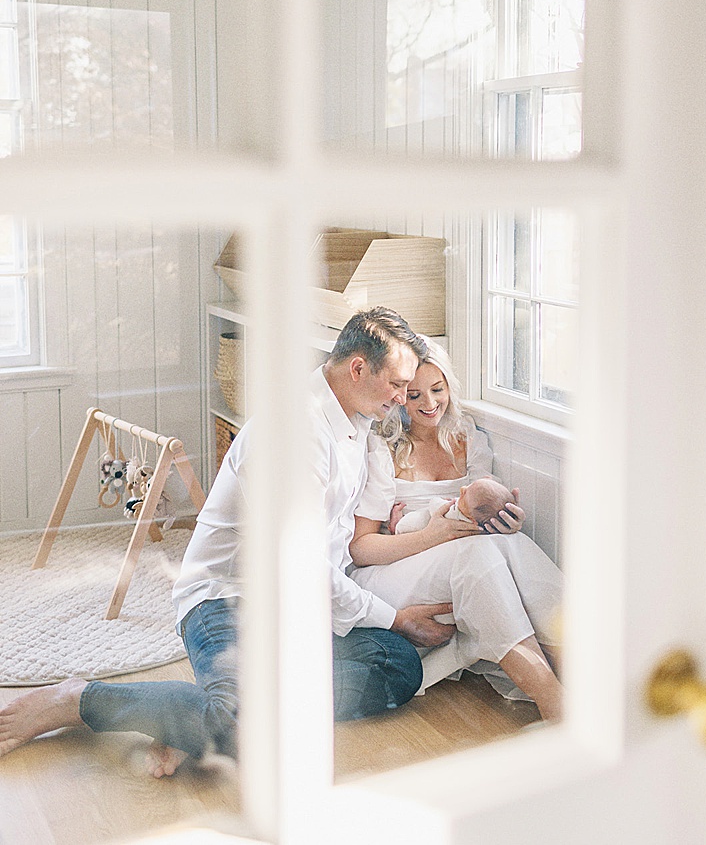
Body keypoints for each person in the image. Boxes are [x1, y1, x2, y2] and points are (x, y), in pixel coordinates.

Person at [0, 307, 452, 773]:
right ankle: (79, 699)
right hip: (227, 598)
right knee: (242, 726)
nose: (403, 398)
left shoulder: (355, 421)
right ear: (358, 368)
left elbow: (336, 545)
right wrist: (394, 617)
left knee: (397, 665)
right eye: (398, 384)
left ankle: (186, 718)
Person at [349, 339, 564, 721]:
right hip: (388, 574)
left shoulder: (469, 440)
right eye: (414, 395)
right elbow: (360, 549)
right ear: (398, 395)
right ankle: (554, 703)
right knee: (476, 553)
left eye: (438, 390)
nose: (429, 404)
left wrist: (506, 522)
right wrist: (429, 536)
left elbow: (483, 507)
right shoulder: (383, 450)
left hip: (460, 559)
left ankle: (584, 672)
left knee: (514, 544)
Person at [390, 477, 511, 534]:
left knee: (406, 525)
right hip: (415, 540)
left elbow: (433, 503)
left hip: (410, 527)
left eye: (466, 493)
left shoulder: (453, 511)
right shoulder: (481, 525)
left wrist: (442, 501)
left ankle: (396, 527)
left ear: (472, 519)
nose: (463, 488)